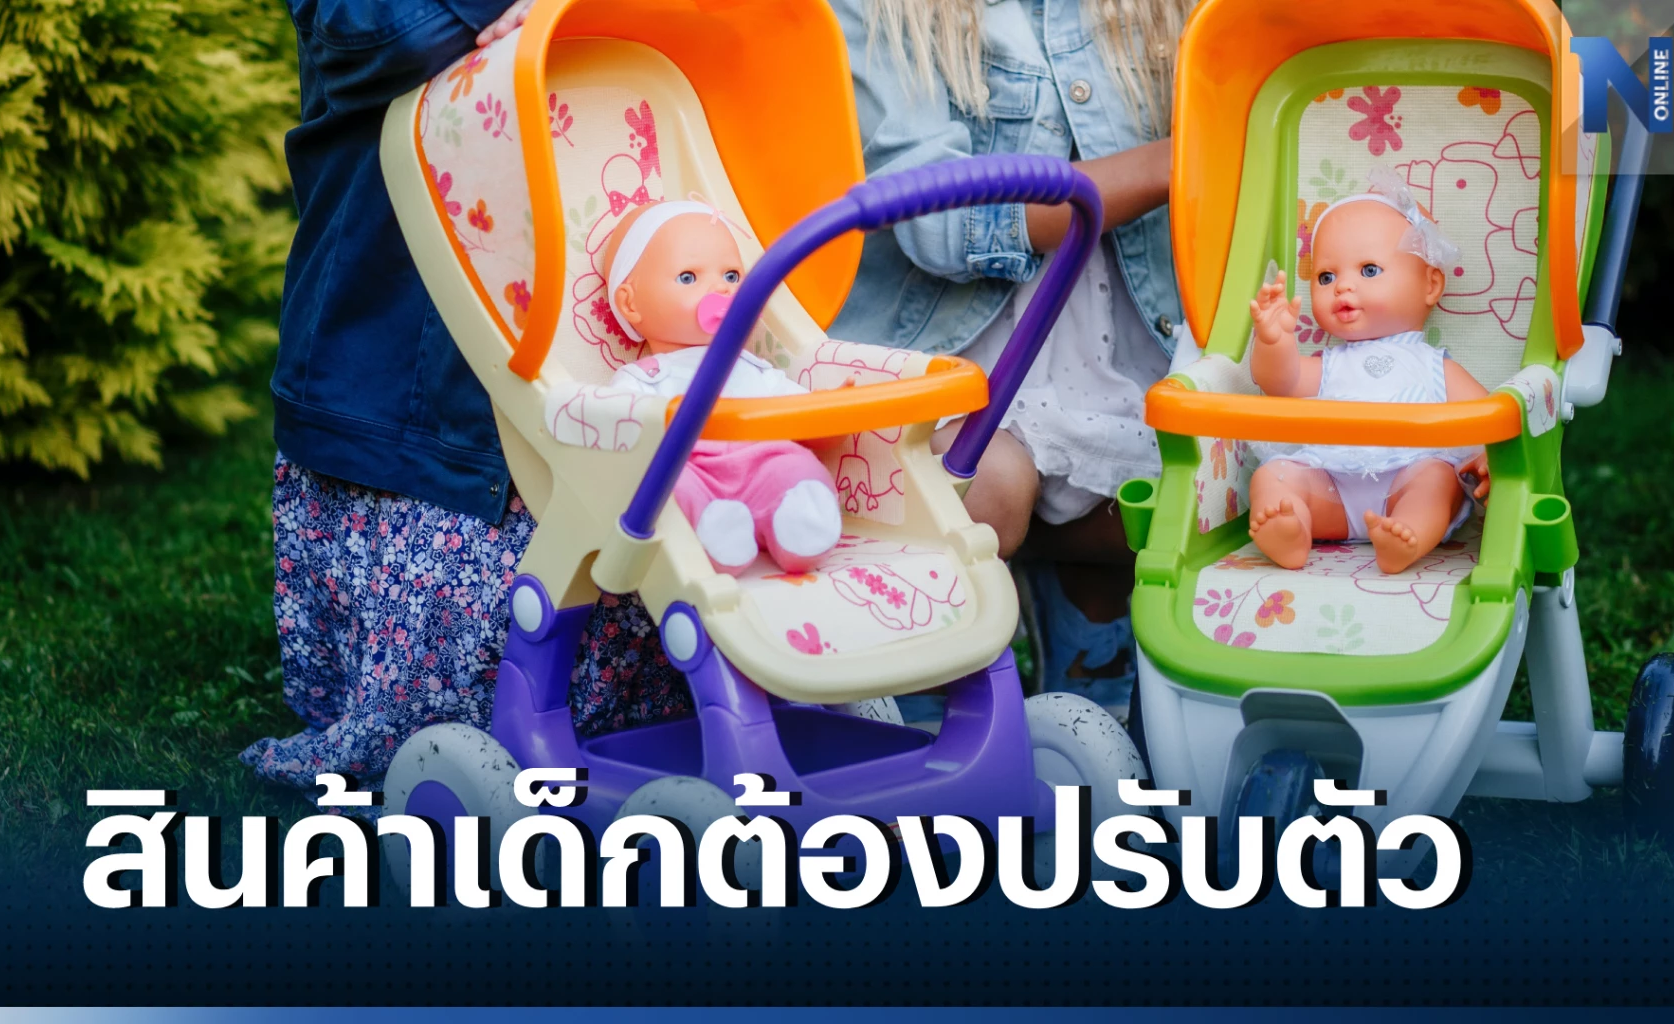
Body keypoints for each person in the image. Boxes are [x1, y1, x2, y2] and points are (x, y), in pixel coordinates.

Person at [242, 0, 692, 806]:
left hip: (597, 323)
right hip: (411, 382)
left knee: (659, 550)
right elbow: (386, 32)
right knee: (451, 689)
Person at [827, 0, 1192, 720]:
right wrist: (1169, 163)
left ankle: (1087, 681)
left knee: (1165, 498)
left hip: (1112, 346)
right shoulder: (887, 15)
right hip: (957, 355)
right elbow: (942, 225)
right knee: (979, 498)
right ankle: (929, 708)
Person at [1246, 168, 1489, 574]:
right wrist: (1274, 341)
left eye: (1369, 270)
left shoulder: (1433, 366)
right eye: (1327, 276)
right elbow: (1280, 382)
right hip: (1331, 486)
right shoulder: (1330, 363)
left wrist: (1487, 454)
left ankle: (1407, 536)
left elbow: (1488, 417)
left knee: (1437, 481)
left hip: (1407, 479)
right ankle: (1292, 529)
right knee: (1275, 476)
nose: (1342, 287)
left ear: (1430, 285)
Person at [601, 201, 844, 574]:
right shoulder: (644, 379)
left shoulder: (754, 369)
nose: (722, 289)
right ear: (630, 304)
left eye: (732, 276)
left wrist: (832, 413)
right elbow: (618, 441)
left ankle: (799, 522)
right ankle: (712, 529)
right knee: (662, 486)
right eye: (688, 278)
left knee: (796, 465)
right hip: (690, 470)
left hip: (763, 464)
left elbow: (804, 417)